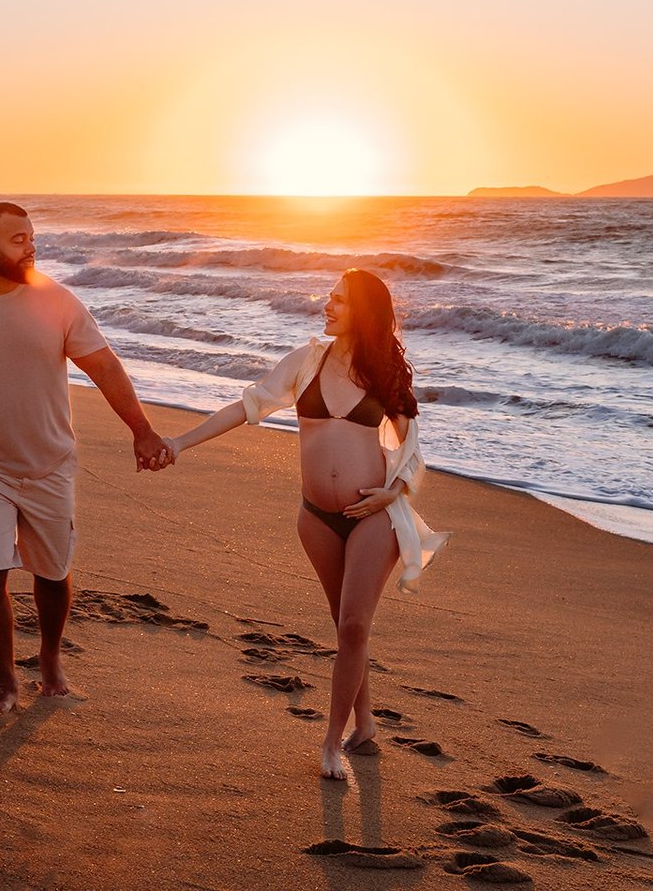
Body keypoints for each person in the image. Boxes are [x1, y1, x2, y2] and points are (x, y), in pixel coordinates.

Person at [167, 269, 447, 779]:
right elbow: (248, 406)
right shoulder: (306, 360)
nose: (328, 305)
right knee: (346, 627)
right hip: (315, 517)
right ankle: (364, 724)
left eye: (340, 300)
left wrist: (394, 491)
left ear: (363, 311)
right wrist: (182, 443)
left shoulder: (385, 374)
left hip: (373, 516)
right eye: (330, 298)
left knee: (355, 625)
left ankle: (331, 743)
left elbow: (413, 455)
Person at [0, 202, 174, 714]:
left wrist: (142, 430)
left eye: (31, 237)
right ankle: (5, 682)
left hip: (50, 463)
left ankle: (50, 656)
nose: (31, 247)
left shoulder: (57, 301)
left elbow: (105, 367)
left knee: (52, 573)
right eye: (18, 240)